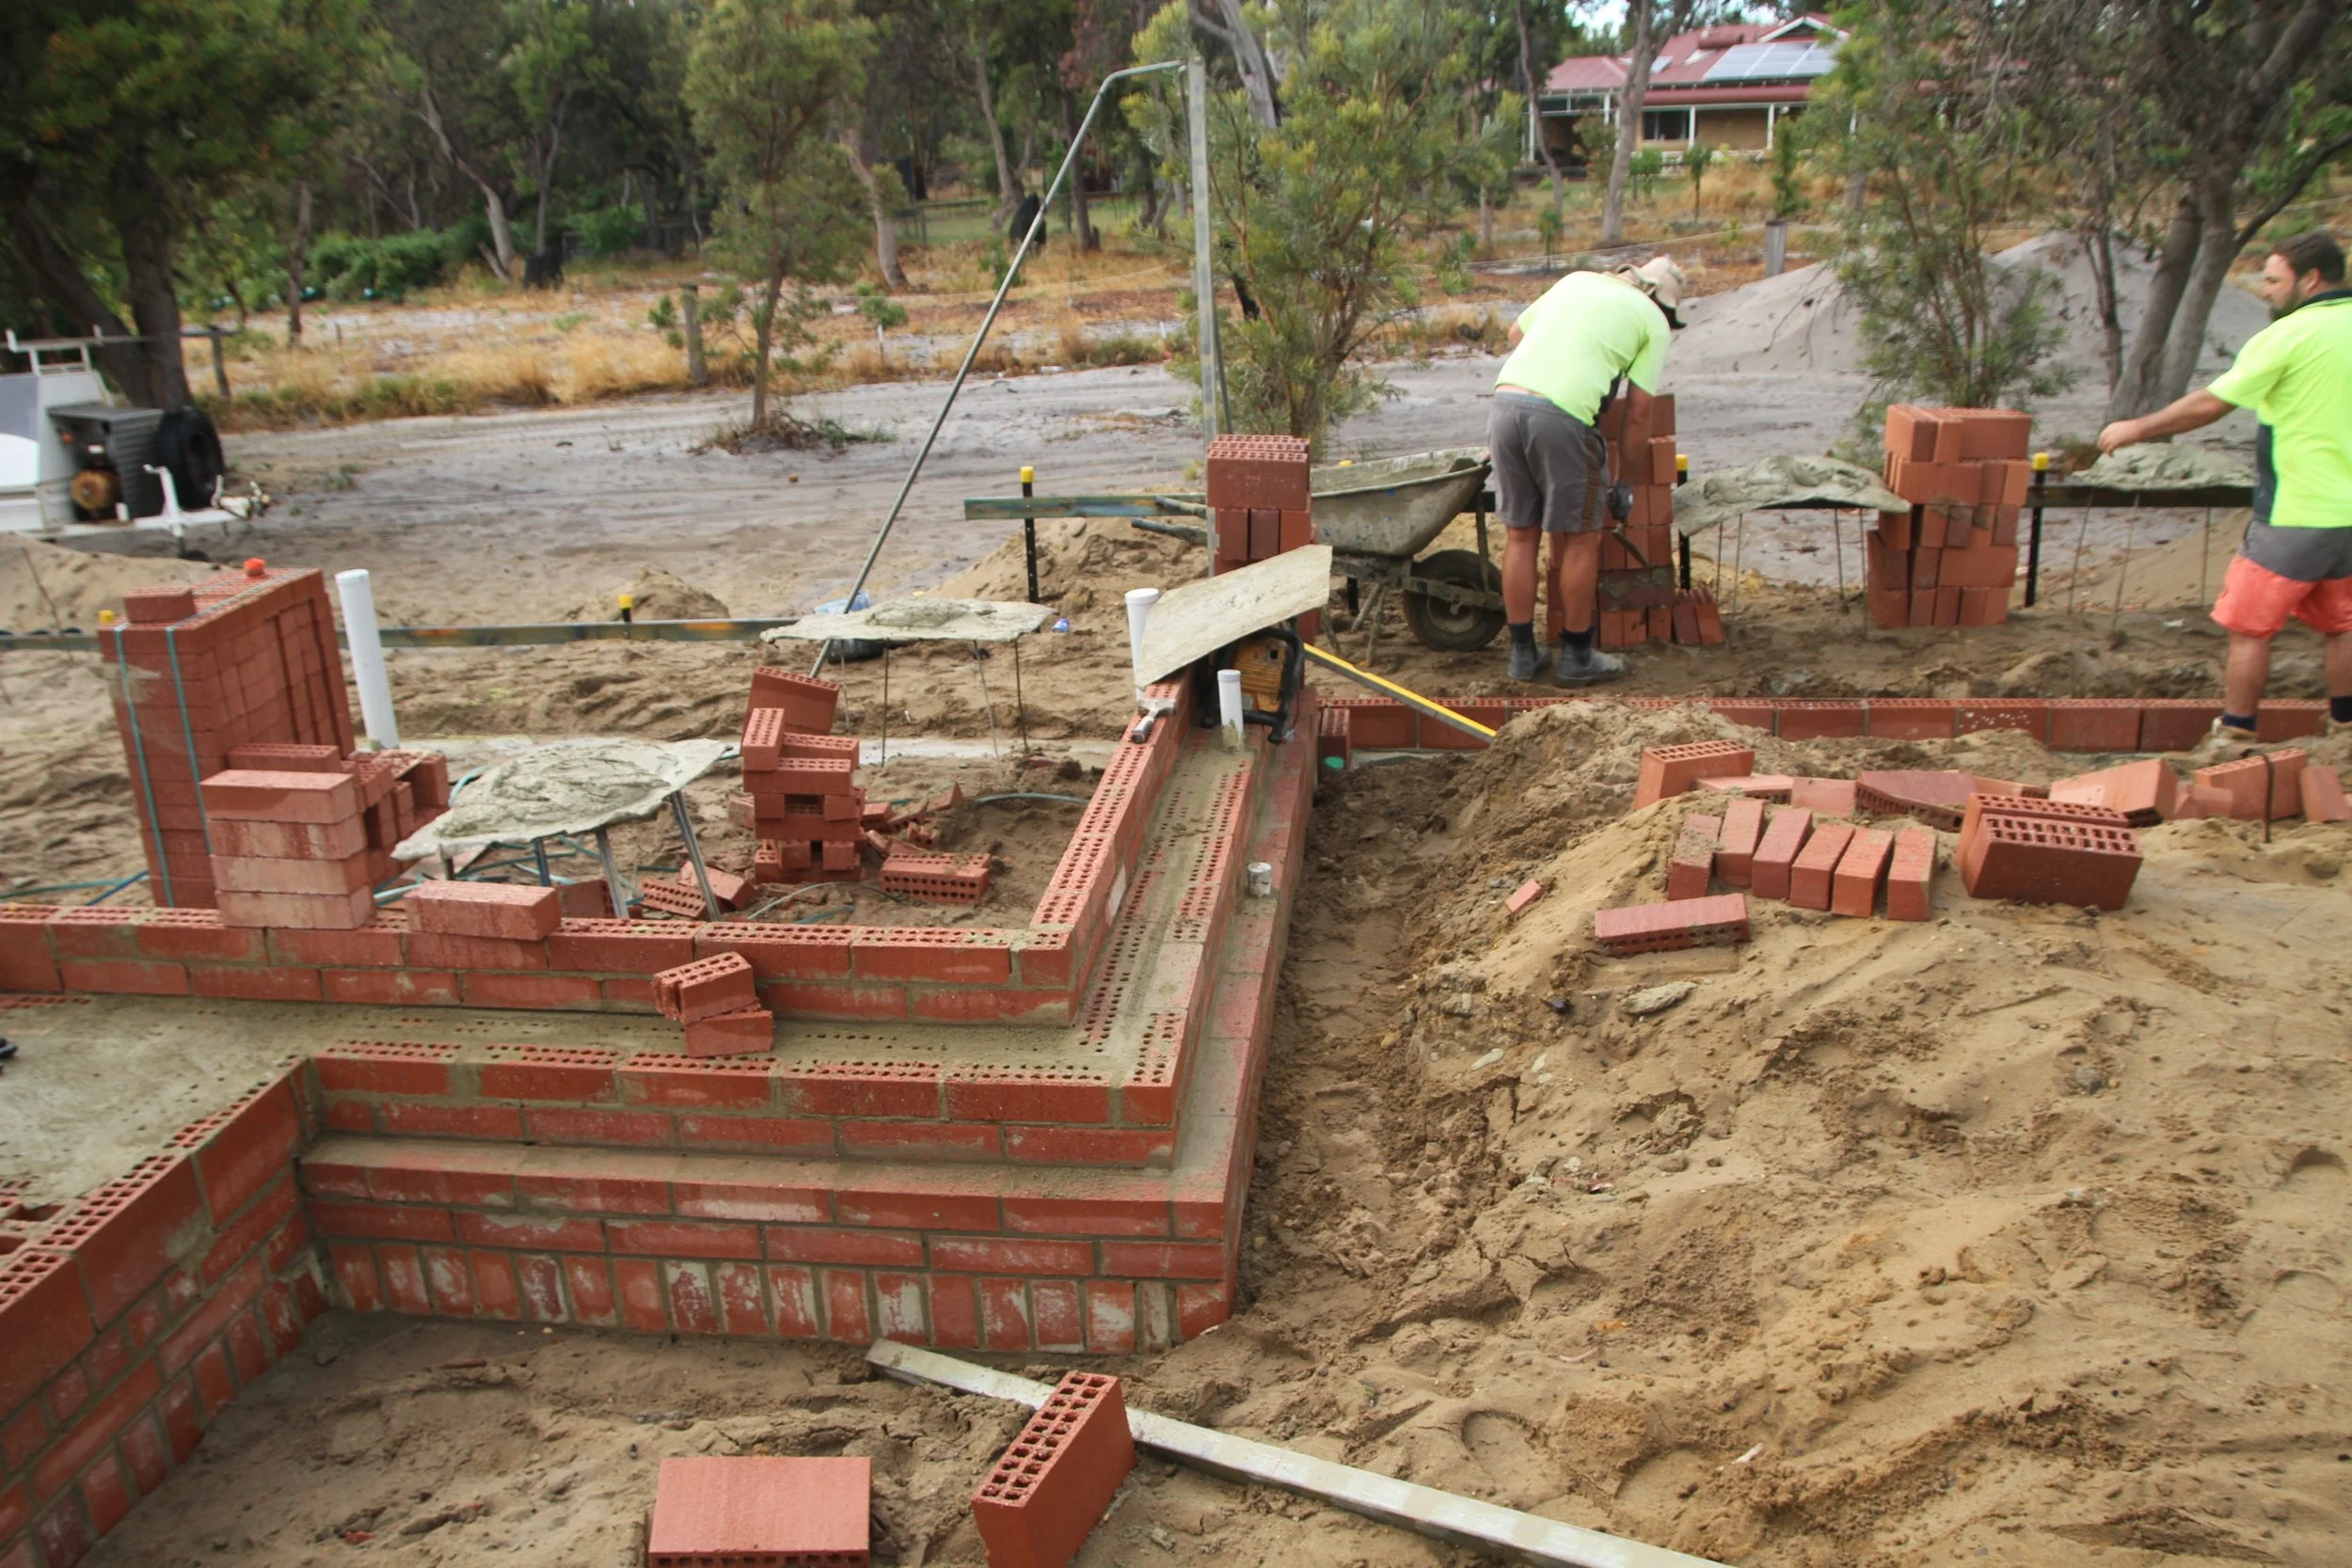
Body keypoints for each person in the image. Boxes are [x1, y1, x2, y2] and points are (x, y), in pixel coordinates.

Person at [2098, 229, 2352, 746]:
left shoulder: (2288, 335)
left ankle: (2236, 732)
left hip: (2293, 514)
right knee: (2343, 624)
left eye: (2274, 281)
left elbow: (2213, 403)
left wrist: (2138, 427)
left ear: (2310, 279)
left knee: (2249, 627)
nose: (2265, 290)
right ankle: (2345, 726)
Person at [1487, 256, 1683, 685]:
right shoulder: (1652, 320)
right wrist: (1625, 480)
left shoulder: (1577, 280)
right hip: (1563, 417)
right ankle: (1577, 656)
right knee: (1581, 538)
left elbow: (1515, 334)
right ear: (1660, 300)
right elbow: (1639, 411)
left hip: (1505, 405)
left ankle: (1523, 655)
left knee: (1521, 535)